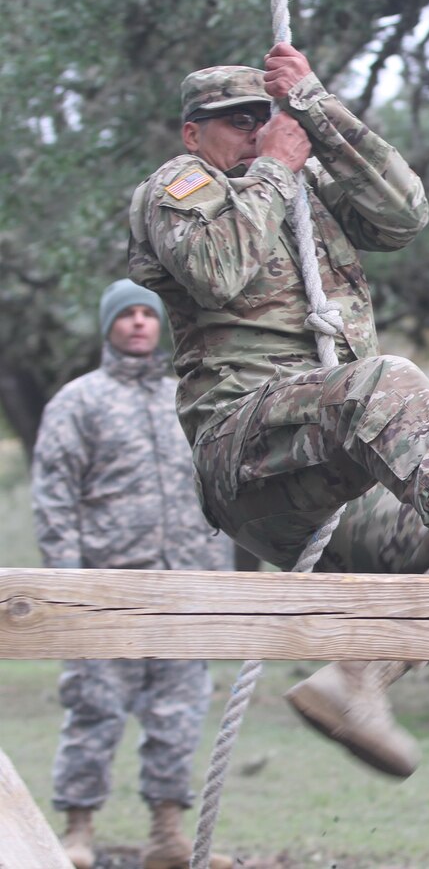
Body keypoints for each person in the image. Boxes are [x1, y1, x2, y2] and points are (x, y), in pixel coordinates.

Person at [127, 42, 429, 779]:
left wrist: (314, 103)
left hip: (328, 470)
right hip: (244, 451)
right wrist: (273, 163)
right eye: (232, 121)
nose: (251, 130)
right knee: (383, 381)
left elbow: (404, 213)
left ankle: (360, 675)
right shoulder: (180, 186)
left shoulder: (305, 191)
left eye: (260, 117)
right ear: (192, 133)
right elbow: (217, 271)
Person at [31, 279, 233, 869]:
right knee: (93, 708)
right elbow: (54, 499)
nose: (140, 323)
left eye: (149, 314)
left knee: (180, 713)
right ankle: (78, 833)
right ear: (109, 325)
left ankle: (168, 839)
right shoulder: (78, 402)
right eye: (129, 315)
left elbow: (217, 493)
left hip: (185, 587)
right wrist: (66, 585)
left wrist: (219, 574)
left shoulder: (188, 400)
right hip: (105, 588)